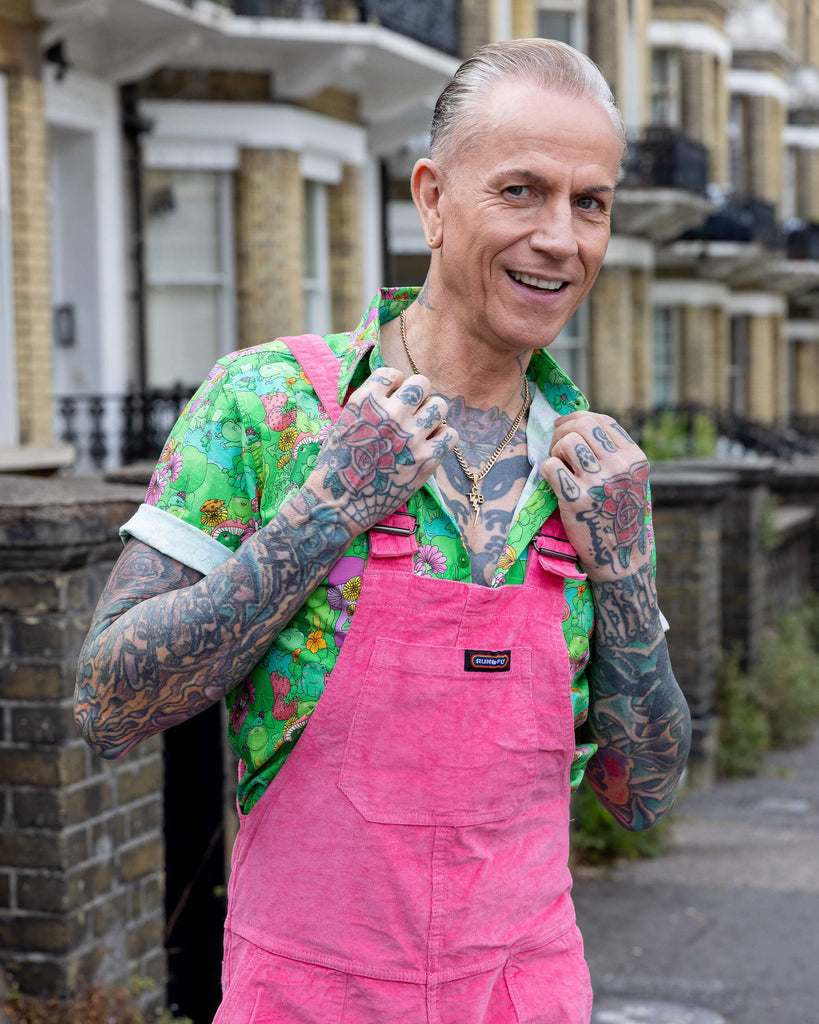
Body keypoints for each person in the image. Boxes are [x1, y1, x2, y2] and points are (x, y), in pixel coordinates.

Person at [75, 38, 691, 1023]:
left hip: (525, 996)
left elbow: (642, 794)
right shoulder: (270, 406)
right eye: (522, 191)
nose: (561, 239)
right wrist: (320, 514)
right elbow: (108, 702)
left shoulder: (593, 471)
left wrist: (625, 572)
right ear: (433, 198)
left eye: (591, 203)